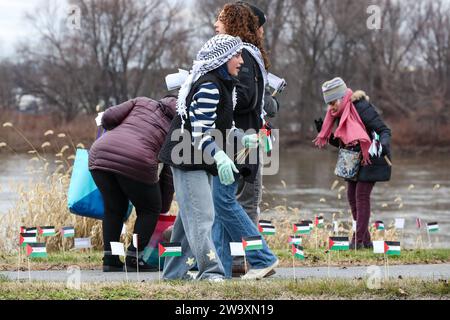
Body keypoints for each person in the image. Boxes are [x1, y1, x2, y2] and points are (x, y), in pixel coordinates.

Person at [159, 34, 248, 281]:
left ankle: (174, 274)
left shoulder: (226, 84)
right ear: (222, 59)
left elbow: (224, 127)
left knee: (188, 220)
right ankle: (211, 272)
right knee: (202, 215)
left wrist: (243, 139)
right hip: (187, 156)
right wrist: (219, 157)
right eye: (237, 55)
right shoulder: (210, 86)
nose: (241, 61)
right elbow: (200, 132)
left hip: (198, 156)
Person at [211, 2, 279, 279]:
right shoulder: (246, 54)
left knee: (227, 203)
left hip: (237, 138)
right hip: (239, 136)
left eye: (220, 18)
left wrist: (217, 96)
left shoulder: (242, 56)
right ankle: (220, 270)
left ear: (233, 23)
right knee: (222, 204)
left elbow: (247, 97)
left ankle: (260, 258)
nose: (216, 24)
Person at [89, 96, 177, 272]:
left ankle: (111, 259)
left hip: (100, 154)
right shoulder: (177, 127)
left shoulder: (142, 101)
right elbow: (167, 174)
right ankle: (134, 258)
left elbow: (107, 118)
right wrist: (162, 206)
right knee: (149, 209)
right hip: (138, 160)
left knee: (114, 208)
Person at [314, 77, 392, 249]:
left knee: (361, 196)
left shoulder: (361, 107)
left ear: (341, 97)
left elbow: (384, 130)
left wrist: (383, 145)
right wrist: (325, 134)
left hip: (371, 155)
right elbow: (343, 143)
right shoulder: (338, 113)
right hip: (351, 159)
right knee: (351, 197)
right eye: (328, 103)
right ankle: (366, 241)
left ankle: (356, 241)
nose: (331, 107)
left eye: (333, 102)